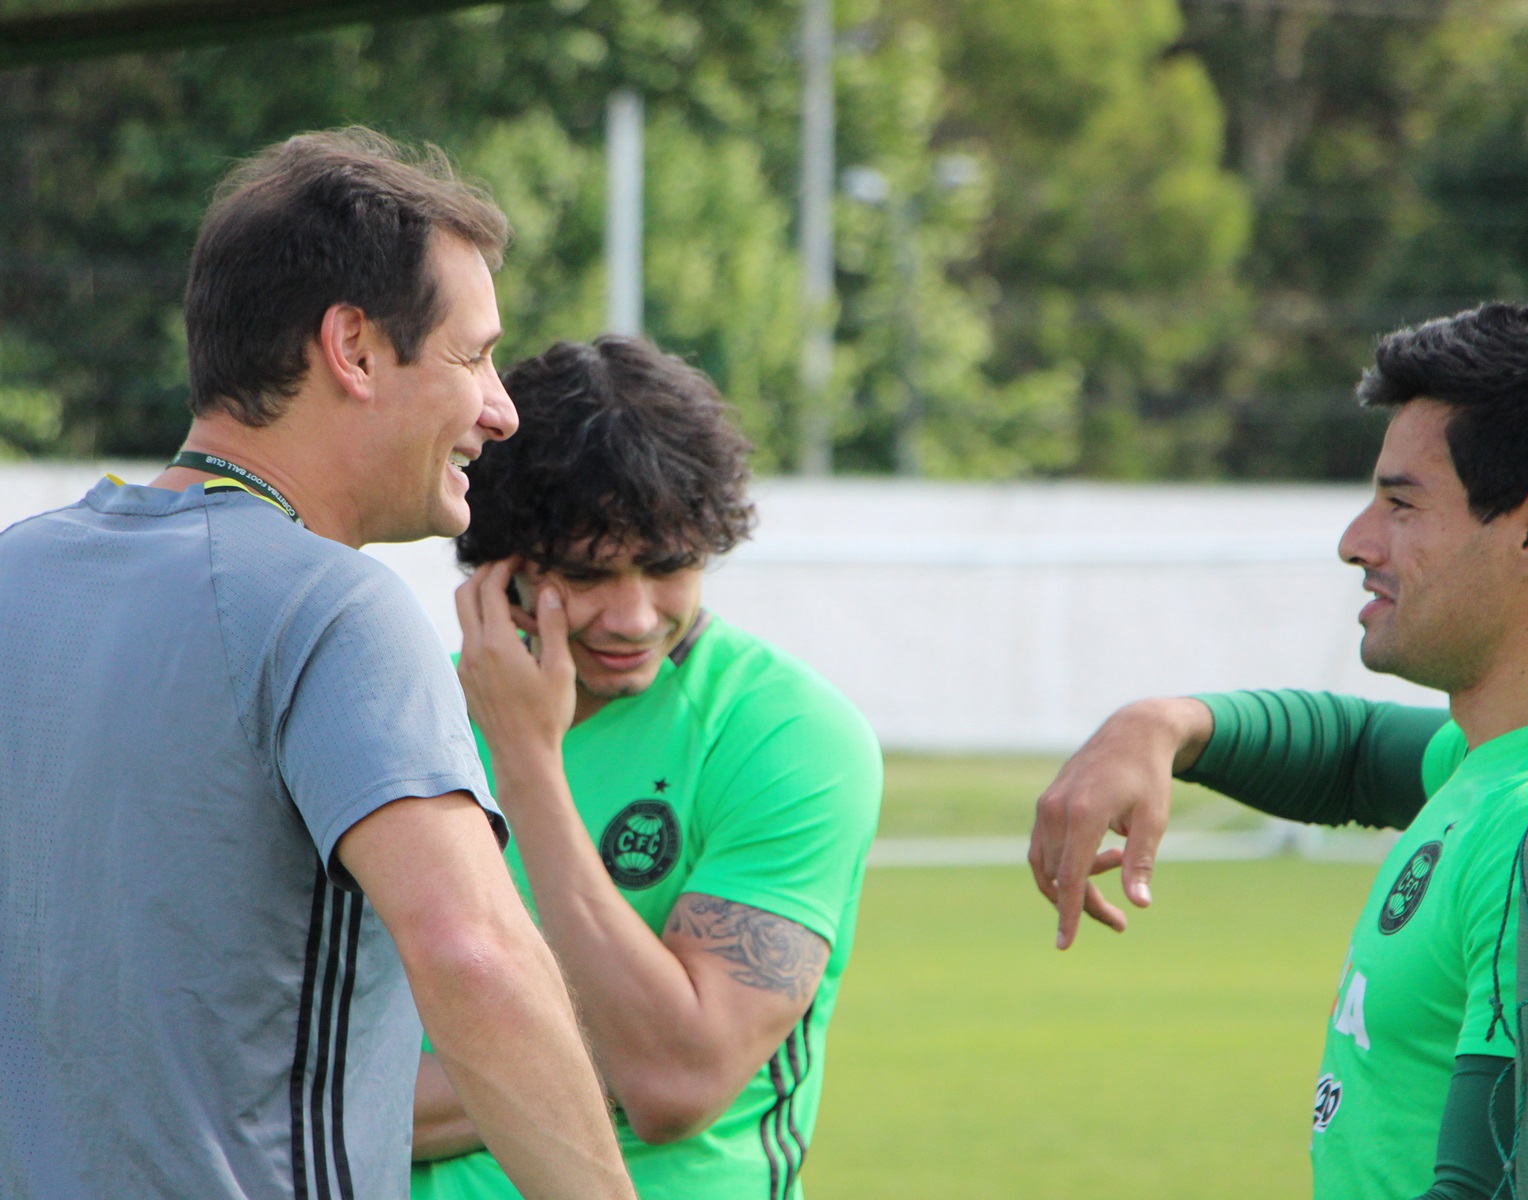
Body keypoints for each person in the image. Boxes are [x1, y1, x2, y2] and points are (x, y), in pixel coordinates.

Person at [0, 129, 631, 1200]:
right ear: (352, 348)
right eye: (472, 356)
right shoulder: (334, 611)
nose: (502, 408)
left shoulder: (19, 575)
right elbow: (473, 957)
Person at [1028, 302, 1528, 1200]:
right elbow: (1353, 751)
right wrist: (1167, 724)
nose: (1355, 542)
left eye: (1401, 504)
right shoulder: (1493, 761)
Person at [409, 336, 883, 1200]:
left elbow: (671, 1083)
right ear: (498, 562)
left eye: (668, 568)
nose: (632, 617)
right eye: (588, 575)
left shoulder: (786, 733)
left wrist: (528, 768)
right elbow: (296, 1086)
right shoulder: (403, 724)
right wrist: (603, 1053)